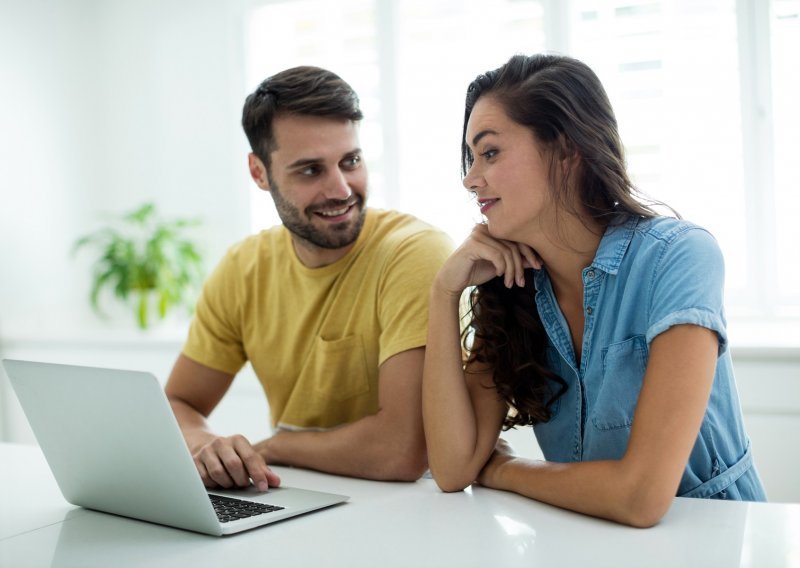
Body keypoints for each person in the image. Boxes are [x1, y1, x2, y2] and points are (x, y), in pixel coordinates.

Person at [422, 53, 766, 528]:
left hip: (718, 541)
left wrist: (506, 470)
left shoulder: (680, 258)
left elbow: (641, 498)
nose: (470, 178)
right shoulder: (512, 287)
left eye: (491, 153)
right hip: (586, 542)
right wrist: (444, 293)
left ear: (566, 150)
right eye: (471, 157)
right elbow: (451, 468)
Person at [165, 66, 453, 491]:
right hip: (296, 493)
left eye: (350, 161)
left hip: (415, 501)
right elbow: (179, 402)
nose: (340, 189)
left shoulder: (414, 253)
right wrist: (206, 445)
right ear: (259, 173)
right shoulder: (243, 268)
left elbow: (402, 449)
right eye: (310, 170)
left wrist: (277, 446)